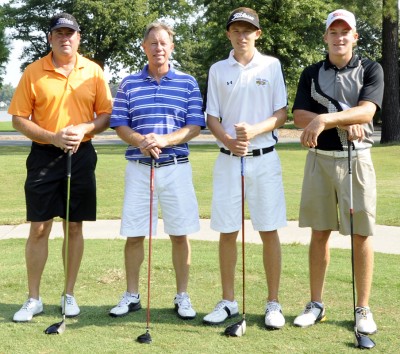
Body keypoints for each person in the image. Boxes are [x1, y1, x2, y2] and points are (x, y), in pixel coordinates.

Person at [8, 13, 113, 322]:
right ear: (50, 38)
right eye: (59, 33)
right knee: (39, 227)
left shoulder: (93, 71)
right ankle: (33, 298)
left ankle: (69, 295)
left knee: (74, 225)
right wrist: (53, 137)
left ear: (78, 38)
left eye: (71, 33)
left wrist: (83, 129)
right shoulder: (33, 72)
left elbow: (105, 115)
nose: (65, 38)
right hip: (43, 155)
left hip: (81, 155)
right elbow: (19, 119)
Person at [292, 9, 384, 335]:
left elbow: (368, 110)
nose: (339, 37)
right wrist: (342, 118)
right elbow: (300, 114)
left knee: (361, 233)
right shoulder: (311, 73)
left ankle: (362, 308)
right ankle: (316, 304)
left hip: (355, 159)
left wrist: (325, 119)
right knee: (319, 232)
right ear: (326, 37)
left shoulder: (371, 69)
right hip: (319, 158)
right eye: (334, 31)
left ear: (355, 37)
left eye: (346, 32)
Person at [108, 22, 205, 320]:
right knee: (135, 235)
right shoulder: (128, 84)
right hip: (139, 167)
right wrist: (141, 141)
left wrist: (163, 139)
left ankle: (182, 296)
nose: (158, 48)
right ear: (144, 47)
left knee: (179, 234)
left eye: (163, 43)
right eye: (152, 43)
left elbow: (194, 126)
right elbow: (119, 123)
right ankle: (132, 295)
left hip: (175, 167)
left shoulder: (187, 82)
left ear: (171, 46)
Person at [203, 7, 288, 329]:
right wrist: (227, 139)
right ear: (228, 34)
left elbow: (280, 112)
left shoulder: (272, 65)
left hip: (264, 158)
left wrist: (253, 131)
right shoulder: (217, 69)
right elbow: (212, 115)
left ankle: (273, 303)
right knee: (228, 231)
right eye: (236, 30)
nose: (242, 36)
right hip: (228, 161)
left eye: (247, 30)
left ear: (258, 34)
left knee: (268, 230)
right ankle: (227, 300)